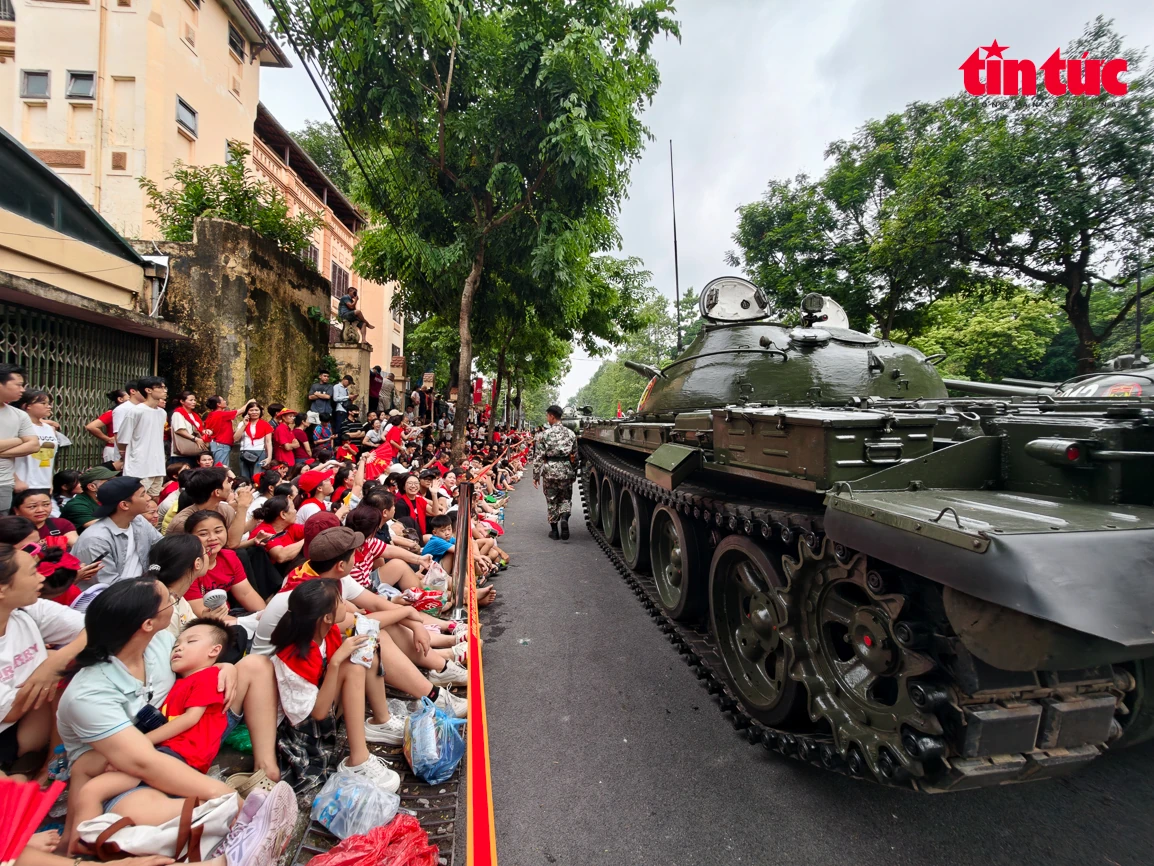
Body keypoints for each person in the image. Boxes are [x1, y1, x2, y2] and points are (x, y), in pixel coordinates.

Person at [55, 579, 292, 859]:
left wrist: (224, 667)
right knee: (134, 810)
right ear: (147, 624)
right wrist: (225, 796)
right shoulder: (88, 694)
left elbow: (196, 662)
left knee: (254, 665)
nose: (175, 601)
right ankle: (235, 826)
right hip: (130, 769)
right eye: (168, 601)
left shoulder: (160, 642)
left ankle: (266, 771)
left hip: (183, 734)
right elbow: (143, 762)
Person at [69, 618, 234, 829]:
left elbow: (190, 718)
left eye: (191, 642)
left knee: (93, 790)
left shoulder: (208, 676)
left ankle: (78, 843)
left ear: (214, 650)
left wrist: (139, 745)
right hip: (163, 753)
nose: (179, 648)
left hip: (177, 755)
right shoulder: (179, 681)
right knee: (88, 776)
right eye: (176, 644)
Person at [270, 578, 398, 791]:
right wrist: (337, 661)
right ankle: (359, 759)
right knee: (354, 665)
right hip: (304, 731)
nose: (344, 604)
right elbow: (317, 713)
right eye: (339, 601)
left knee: (364, 654)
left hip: (324, 704)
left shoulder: (325, 633)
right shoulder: (294, 656)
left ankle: (381, 721)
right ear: (327, 617)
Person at [0, 543, 87, 780]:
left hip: (26, 728)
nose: (41, 578)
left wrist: (55, 661)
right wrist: (46, 668)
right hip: (11, 725)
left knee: (70, 667)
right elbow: (8, 713)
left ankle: (48, 765)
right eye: (32, 573)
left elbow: (95, 627)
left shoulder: (26, 611)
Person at [72, 476, 162, 584]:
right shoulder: (96, 540)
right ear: (124, 505)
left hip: (141, 586)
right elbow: (106, 585)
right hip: (116, 595)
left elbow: (162, 545)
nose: (148, 498)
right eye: (142, 494)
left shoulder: (137, 521)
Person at [183, 510, 267, 616]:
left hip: (227, 614)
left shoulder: (229, 557)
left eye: (218, 531)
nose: (213, 538)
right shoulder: (187, 567)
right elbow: (201, 613)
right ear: (189, 537)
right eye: (203, 534)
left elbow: (246, 593)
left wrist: (264, 617)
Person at [164, 466, 250, 550]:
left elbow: (233, 540)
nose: (231, 485)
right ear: (217, 492)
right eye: (228, 482)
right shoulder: (182, 522)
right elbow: (231, 544)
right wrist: (242, 507)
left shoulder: (225, 509)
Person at [117, 377, 169, 497]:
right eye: (160, 387)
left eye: (164, 387)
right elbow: (122, 439)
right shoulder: (136, 411)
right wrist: (127, 458)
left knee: (154, 500)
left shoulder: (162, 412)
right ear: (148, 390)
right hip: (139, 466)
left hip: (158, 465)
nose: (164, 390)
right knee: (137, 499)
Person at [533, 404, 578, 540]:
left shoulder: (544, 435)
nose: (547, 419)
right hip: (565, 469)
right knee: (565, 498)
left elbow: (539, 456)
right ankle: (564, 517)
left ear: (552, 416)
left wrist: (535, 475)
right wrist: (574, 472)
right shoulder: (571, 433)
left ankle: (554, 531)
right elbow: (575, 455)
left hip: (550, 470)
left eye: (548, 416)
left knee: (551, 500)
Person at [13, 391, 69, 495]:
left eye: (48, 403)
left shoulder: (49, 428)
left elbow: (51, 457)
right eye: (43, 403)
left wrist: (49, 483)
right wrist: (16, 480)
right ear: (27, 406)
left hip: (44, 485)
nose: (49, 407)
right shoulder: (18, 426)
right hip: (24, 484)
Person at [0, 365, 39, 514]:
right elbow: (27, 441)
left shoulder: (19, 415)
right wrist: (18, 440)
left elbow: (34, 445)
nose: (22, 390)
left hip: (4, 483)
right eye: (18, 385)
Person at [10, 489, 78, 551]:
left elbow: (76, 545)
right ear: (16, 510)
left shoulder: (61, 524)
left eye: (46, 505)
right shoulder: (8, 530)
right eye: (32, 506)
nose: (40, 510)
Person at [248, 496, 305, 565]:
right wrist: (306, 539)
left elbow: (309, 530)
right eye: (293, 508)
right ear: (283, 514)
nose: (295, 511)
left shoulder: (288, 526)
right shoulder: (264, 532)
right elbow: (281, 556)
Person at [59, 466, 118, 531]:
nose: (116, 484)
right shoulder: (77, 505)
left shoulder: (110, 499)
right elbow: (102, 527)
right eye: (109, 481)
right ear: (92, 487)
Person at [84, 389, 128, 465]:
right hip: (113, 449)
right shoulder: (113, 413)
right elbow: (91, 427)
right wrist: (107, 439)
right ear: (120, 399)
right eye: (129, 397)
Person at [238, 401, 274, 483]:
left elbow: (268, 442)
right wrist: (244, 425)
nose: (254, 412)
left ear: (260, 411)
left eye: (256, 410)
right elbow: (236, 438)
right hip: (244, 452)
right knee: (244, 477)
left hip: (260, 453)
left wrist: (269, 457)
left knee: (258, 476)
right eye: (251, 410)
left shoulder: (266, 425)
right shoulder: (242, 424)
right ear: (247, 412)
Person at [170, 391, 208, 461]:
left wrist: (205, 431)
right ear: (182, 401)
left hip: (194, 451)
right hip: (182, 453)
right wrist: (195, 439)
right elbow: (179, 430)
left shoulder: (194, 415)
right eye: (191, 400)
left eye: (194, 400)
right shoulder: (178, 414)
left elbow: (198, 429)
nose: (194, 402)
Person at [202, 396, 238, 469]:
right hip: (222, 444)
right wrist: (249, 403)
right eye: (223, 400)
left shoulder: (211, 414)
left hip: (216, 444)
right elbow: (239, 411)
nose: (225, 401)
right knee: (221, 468)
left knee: (218, 466)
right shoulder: (221, 414)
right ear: (218, 404)